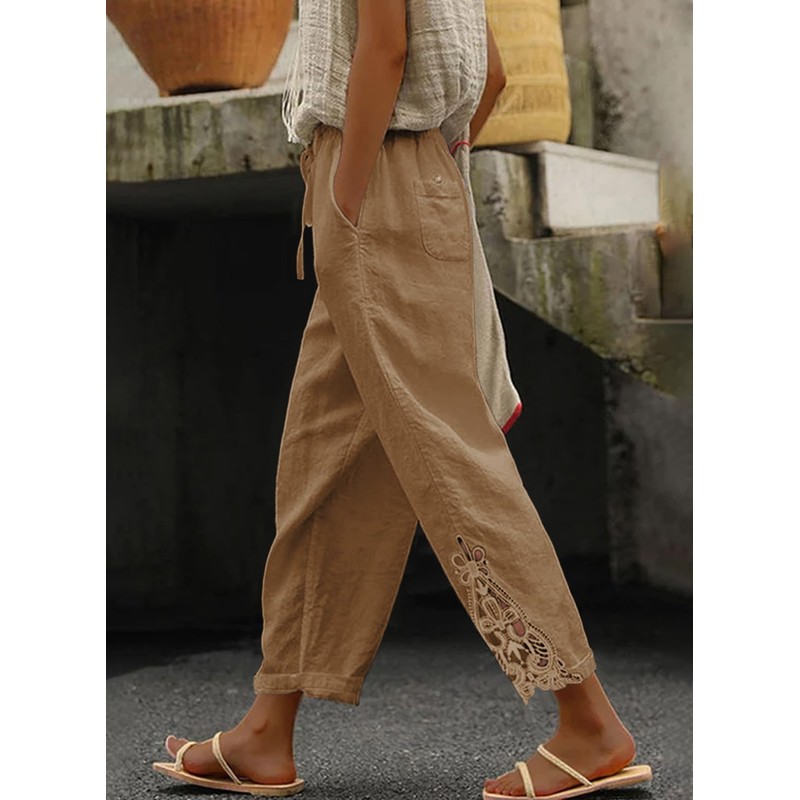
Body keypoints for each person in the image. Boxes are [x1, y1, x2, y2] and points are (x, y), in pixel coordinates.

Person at [152, 1, 653, 798]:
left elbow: (384, 50)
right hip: (405, 180)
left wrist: (347, 198)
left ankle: (588, 720)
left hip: (370, 191)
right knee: (322, 462)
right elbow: (490, 71)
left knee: (453, 464)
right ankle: (267, 730)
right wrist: (416, 175)